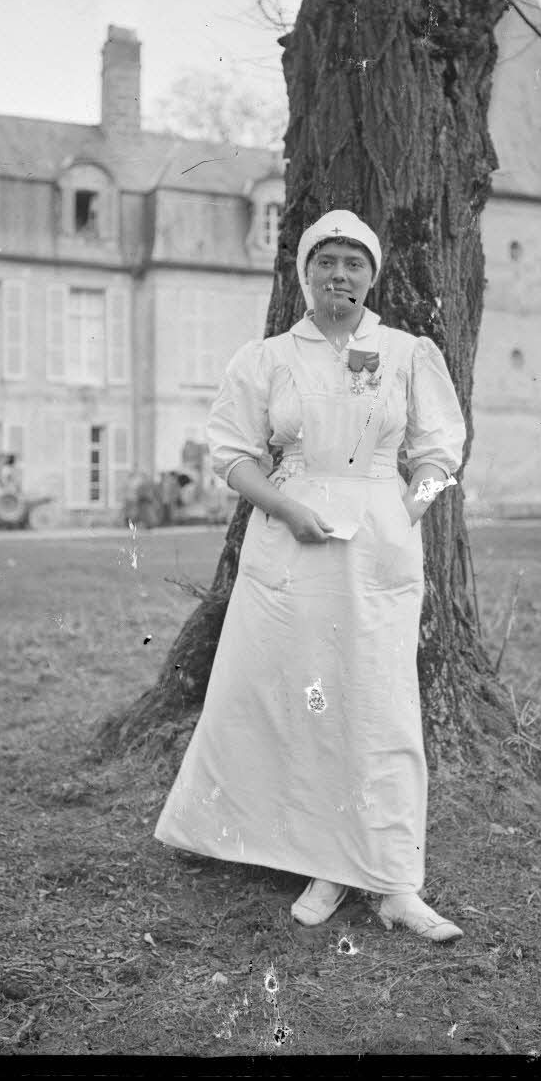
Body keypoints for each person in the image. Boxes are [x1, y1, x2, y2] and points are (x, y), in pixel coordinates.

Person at [154, 210, 467, 943]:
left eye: (353, 263)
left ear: (372, 274)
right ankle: (321, 860)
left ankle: (392, 881)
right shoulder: (265, 359)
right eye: (325, 261)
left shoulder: (406, 352)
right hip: (290, 544)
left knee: (376, 702)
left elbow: (439, 451)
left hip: (378, 549)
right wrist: (286, 508)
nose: (340, 275)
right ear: (304, 273)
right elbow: (232, 454)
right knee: (298, 699)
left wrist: (407, 510)